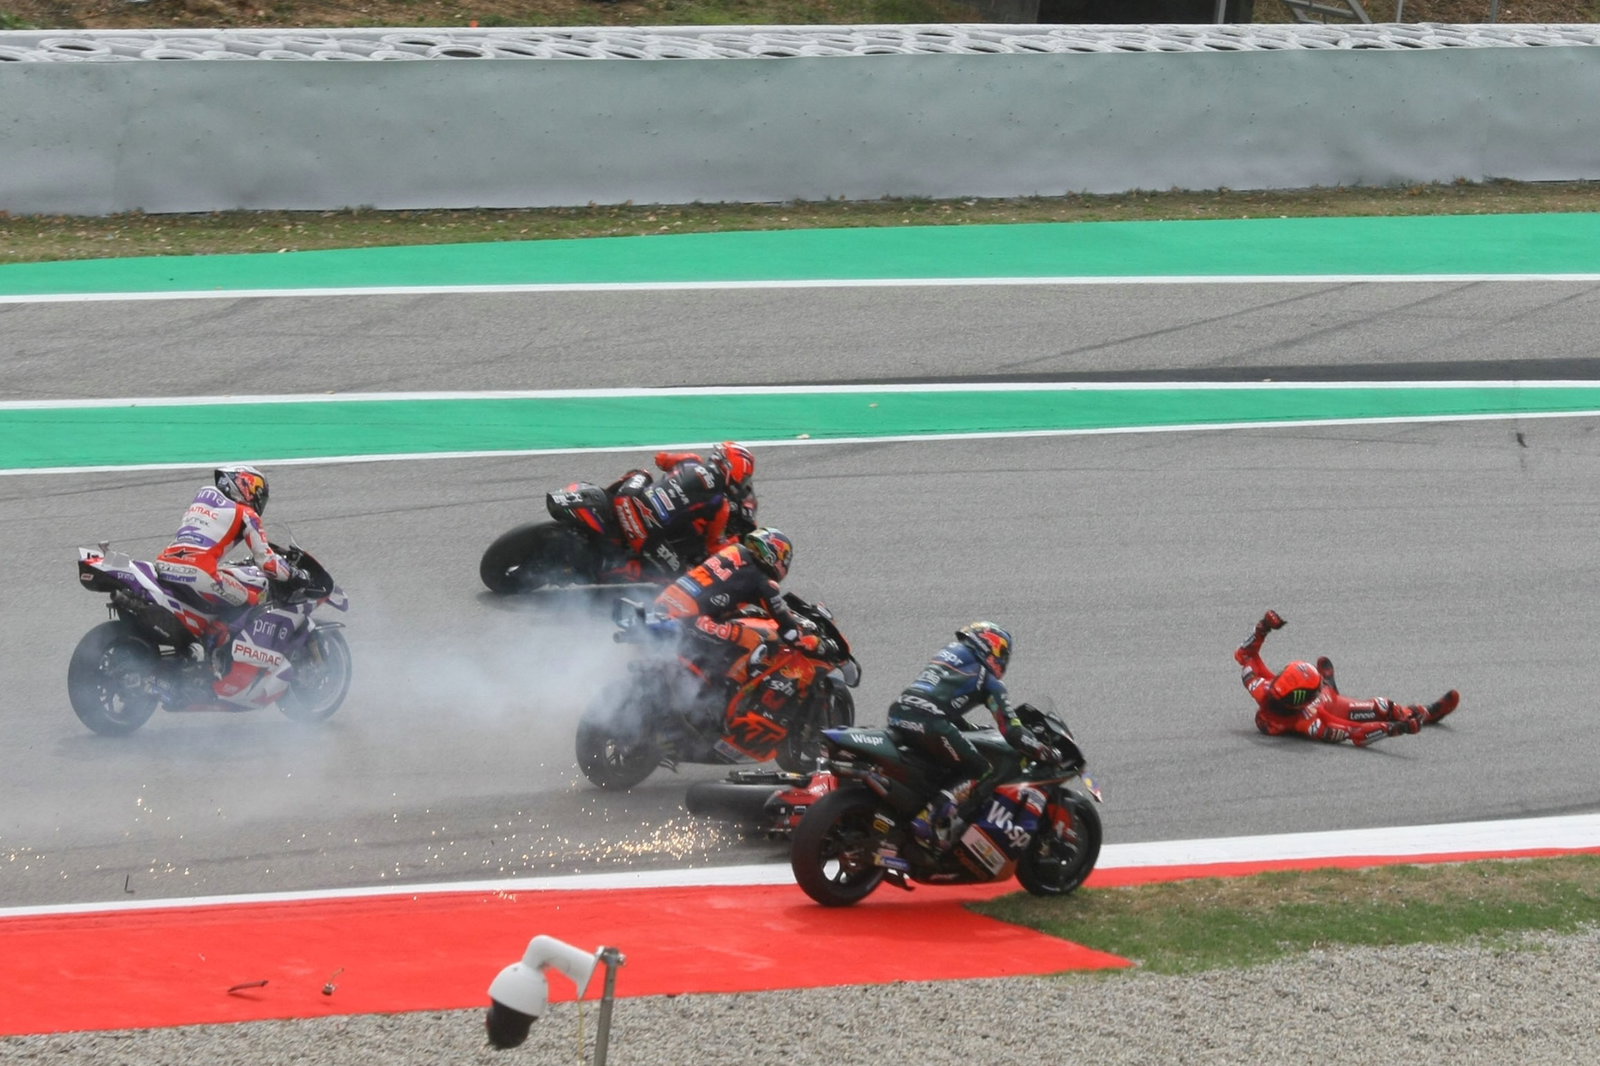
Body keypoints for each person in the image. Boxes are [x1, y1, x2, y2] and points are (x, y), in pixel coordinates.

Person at [886, 623, 1059, 855]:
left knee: (941, 765)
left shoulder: (949, 654)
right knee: (980, 768)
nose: (1003, 661)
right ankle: (927, 820)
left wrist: (969, 727)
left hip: (898, 713)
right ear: (992, 648)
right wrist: (1041, 750)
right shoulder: (990, 681)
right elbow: (1011, 730)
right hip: (929, 722)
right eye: (1003, 654)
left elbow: (943, 699)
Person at [154, 465, 306, 699]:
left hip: (165, 565)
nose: (257, 498)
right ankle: (210, 662)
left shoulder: (203, 495)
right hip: (198, 571)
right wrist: (294, 574)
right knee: (252, 599)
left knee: (218, 594)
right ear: (245, 486)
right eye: (256, 490)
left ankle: (190, 641)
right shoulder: (248, 515)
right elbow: (267, 563)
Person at [646, 527, 827, 724]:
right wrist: (810, 640)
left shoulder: (732, 552)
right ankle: (725, 703)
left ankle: (703, 682)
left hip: (664, 606)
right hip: (691, 618)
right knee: (755, 639)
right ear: (775, 556)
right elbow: (788, 628)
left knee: (730, 631)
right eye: (785, 561)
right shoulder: (764, 581)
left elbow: (723, 590)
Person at [1236, 610, 1459, 747]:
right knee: (1384, 706)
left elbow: (1244, 655)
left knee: (1341, 695)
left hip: (1324, 696)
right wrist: (1394, 728)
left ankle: (1329, 683)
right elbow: (1354, 733)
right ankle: (1426, 713)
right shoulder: (1311, 723)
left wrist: (1263, 628)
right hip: (1332, 705)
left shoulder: (1260, 686)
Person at [610, 441, 758, 578]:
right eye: (745, 478)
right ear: (734, 471)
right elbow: (714, 547)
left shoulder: (690, 460)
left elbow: (660, 459)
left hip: (626, 500)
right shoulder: (720, 504)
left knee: (641, 474)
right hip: (643, 532)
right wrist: (736, 541)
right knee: (681, 575)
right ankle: (617, 573)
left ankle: (606, 499)